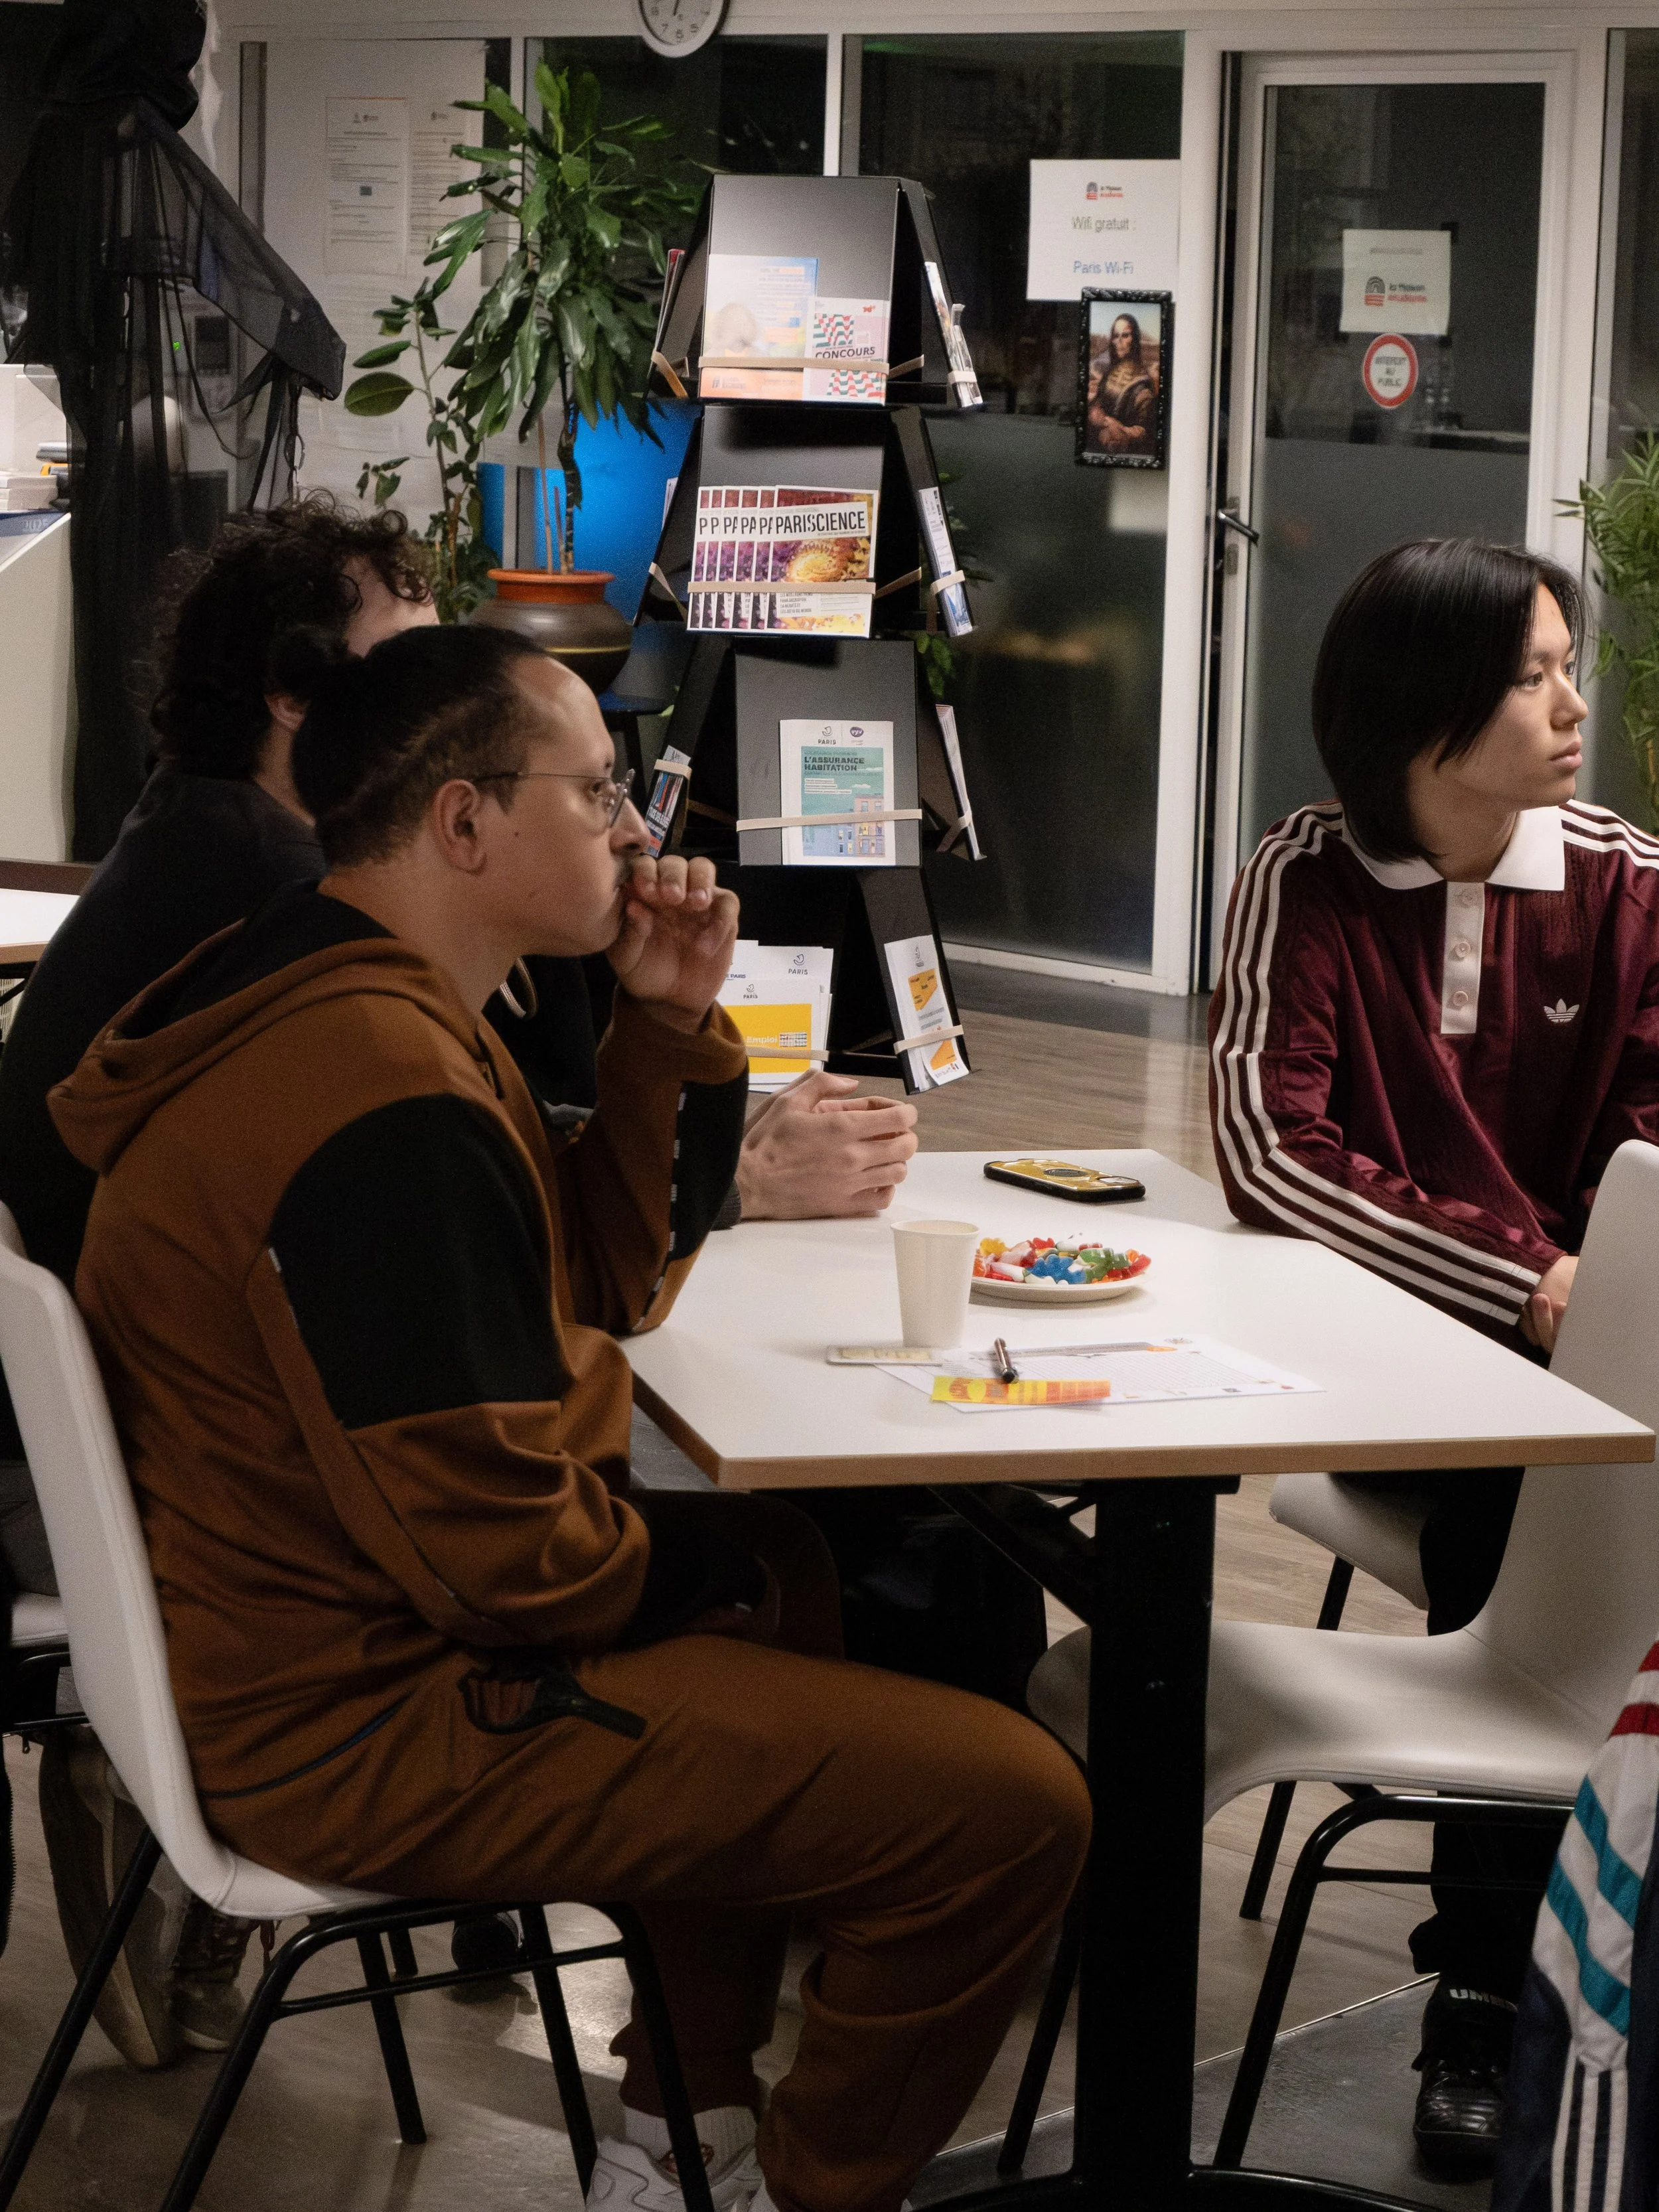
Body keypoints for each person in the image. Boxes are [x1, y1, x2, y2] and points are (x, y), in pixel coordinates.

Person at [52, 623, 1092, 2212]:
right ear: (464, 823)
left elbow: (604, 1276)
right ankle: (787, 2191)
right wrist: (687, 1571)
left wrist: (668, 1017)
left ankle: (677, 2135)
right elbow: (505, 1567)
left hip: (311, 1644)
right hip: (362, 1722)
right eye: (601, 792)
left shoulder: (354, 994)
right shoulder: (373, 1088)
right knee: (1010, 1810)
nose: (637, 831)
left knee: (784, 1571)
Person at [0, 495, 923, 2067]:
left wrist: (661, 1034)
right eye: (408, 646)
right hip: (301, 1554)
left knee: (803, 1565)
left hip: (260, 1498)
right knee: (888, 1669)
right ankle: (719, 2096)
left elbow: (563, 1239)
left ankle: (695, 2101)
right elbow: (522, 1394)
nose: (447, 666)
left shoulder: (265, 881)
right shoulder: (297, 936)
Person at [1209, 538, 1659, 2176]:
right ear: (1424, 714)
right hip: (1407, 1390)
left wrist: (1596, 1292)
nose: (1570, 702)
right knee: (1525, 1500)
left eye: (1562, 664)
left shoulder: (1626, 881)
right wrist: (1519, 1283)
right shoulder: (1304, 880)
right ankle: (1480, 1993)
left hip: (1610, 1377)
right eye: (1534, 674)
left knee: (1577, 1484)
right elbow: (1274, 1153)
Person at [1086, 314, 1158, 457]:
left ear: (1135, 339)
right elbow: (1098, 404)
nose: (1118, 341)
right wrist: (1095, 411)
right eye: (1115, 336)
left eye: (1125, 336)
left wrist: (1121, 429)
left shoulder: (1142, 386)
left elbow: (1144, 431)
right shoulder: (1109, 372)